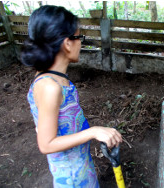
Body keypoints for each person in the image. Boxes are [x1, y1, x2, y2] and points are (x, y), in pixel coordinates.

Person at [22, 5, 123, 187]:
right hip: (72, 179)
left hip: (80, 166)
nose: (81, 43)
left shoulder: (55, 78)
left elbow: (46, 118)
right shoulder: (49, 86)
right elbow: (46, 144)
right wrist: (93, 131)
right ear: (67, 43)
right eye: (79, 37)